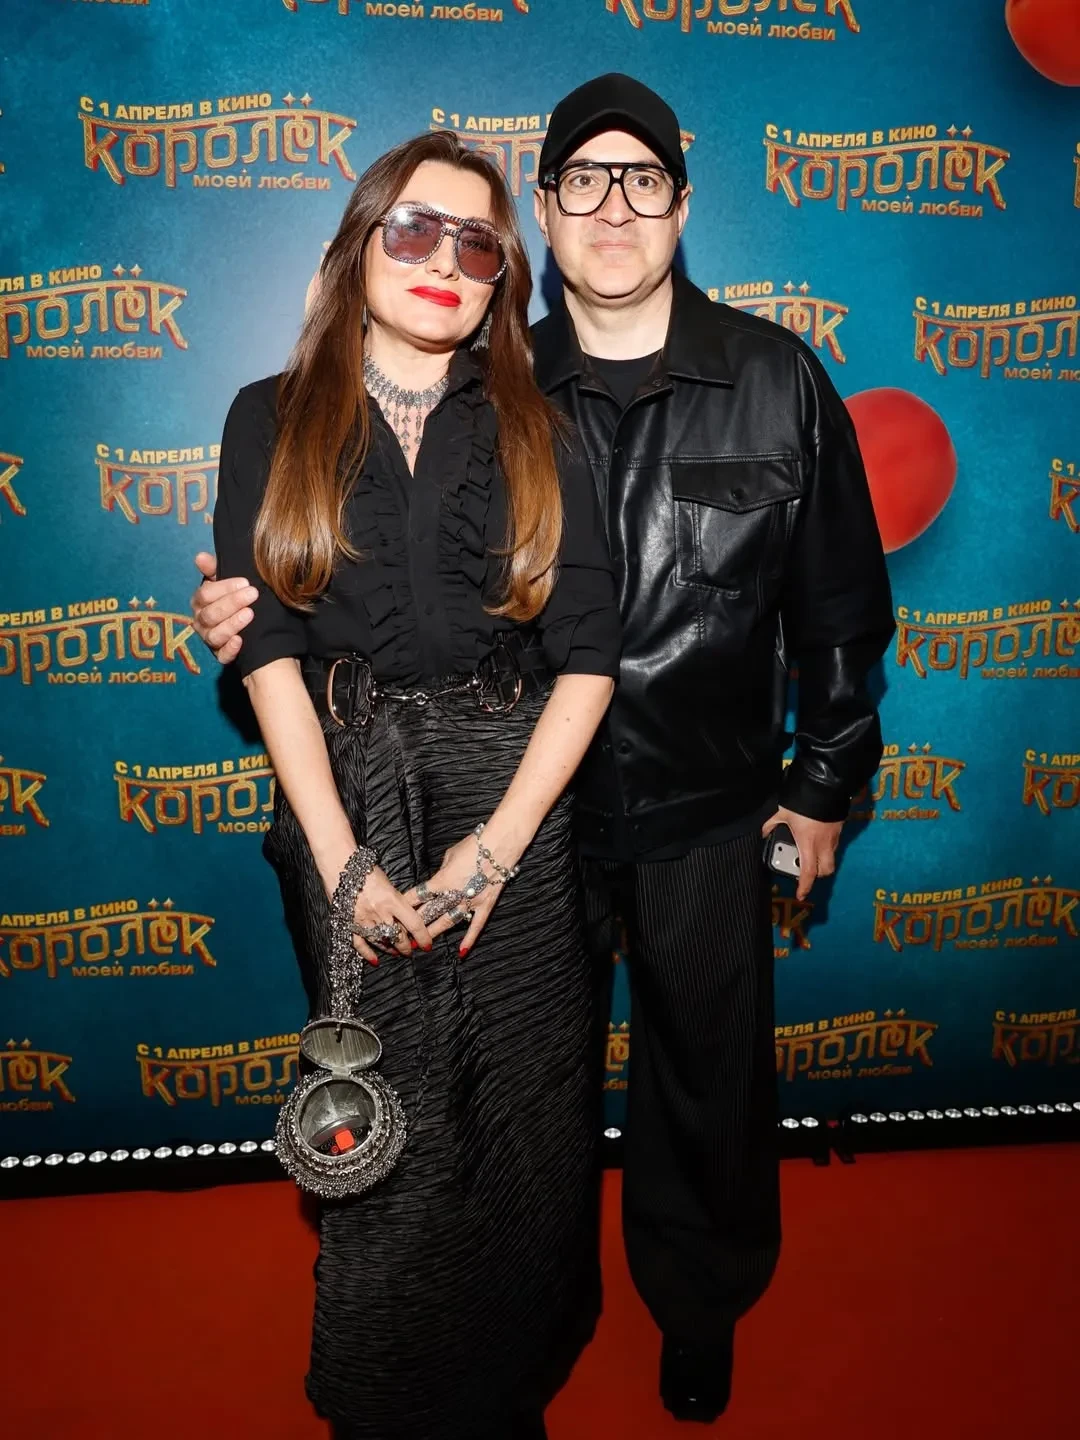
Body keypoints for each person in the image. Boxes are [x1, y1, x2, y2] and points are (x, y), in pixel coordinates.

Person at [194, 75, 895, 1425]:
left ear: (683, 206)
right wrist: (249, 608)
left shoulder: (773, 377)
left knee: (704, 1085)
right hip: (519, 814)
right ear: (552, 218)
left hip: (697, 803)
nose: (614, 208)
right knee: (505, 1098)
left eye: (644, 180)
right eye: (583, 181)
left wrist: (825, 781)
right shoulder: (497, 375)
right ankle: (458, 1338)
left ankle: (695, 1308)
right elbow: (320, 606)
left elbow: (840, 602)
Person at [209, 129, 620, 1440]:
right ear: (358, 247)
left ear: (504, 280)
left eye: (479, 244)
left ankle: (509, 1388)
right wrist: (343, 867)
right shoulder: (268, 416)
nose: (445, 258)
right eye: (414, 229)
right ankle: (385, 1396)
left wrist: (496, 853)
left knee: (527, 1123)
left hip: (520, 806)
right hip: (348, 795)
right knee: (379, 1123)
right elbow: (269, 655)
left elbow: (590, 661)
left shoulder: (546, 427)